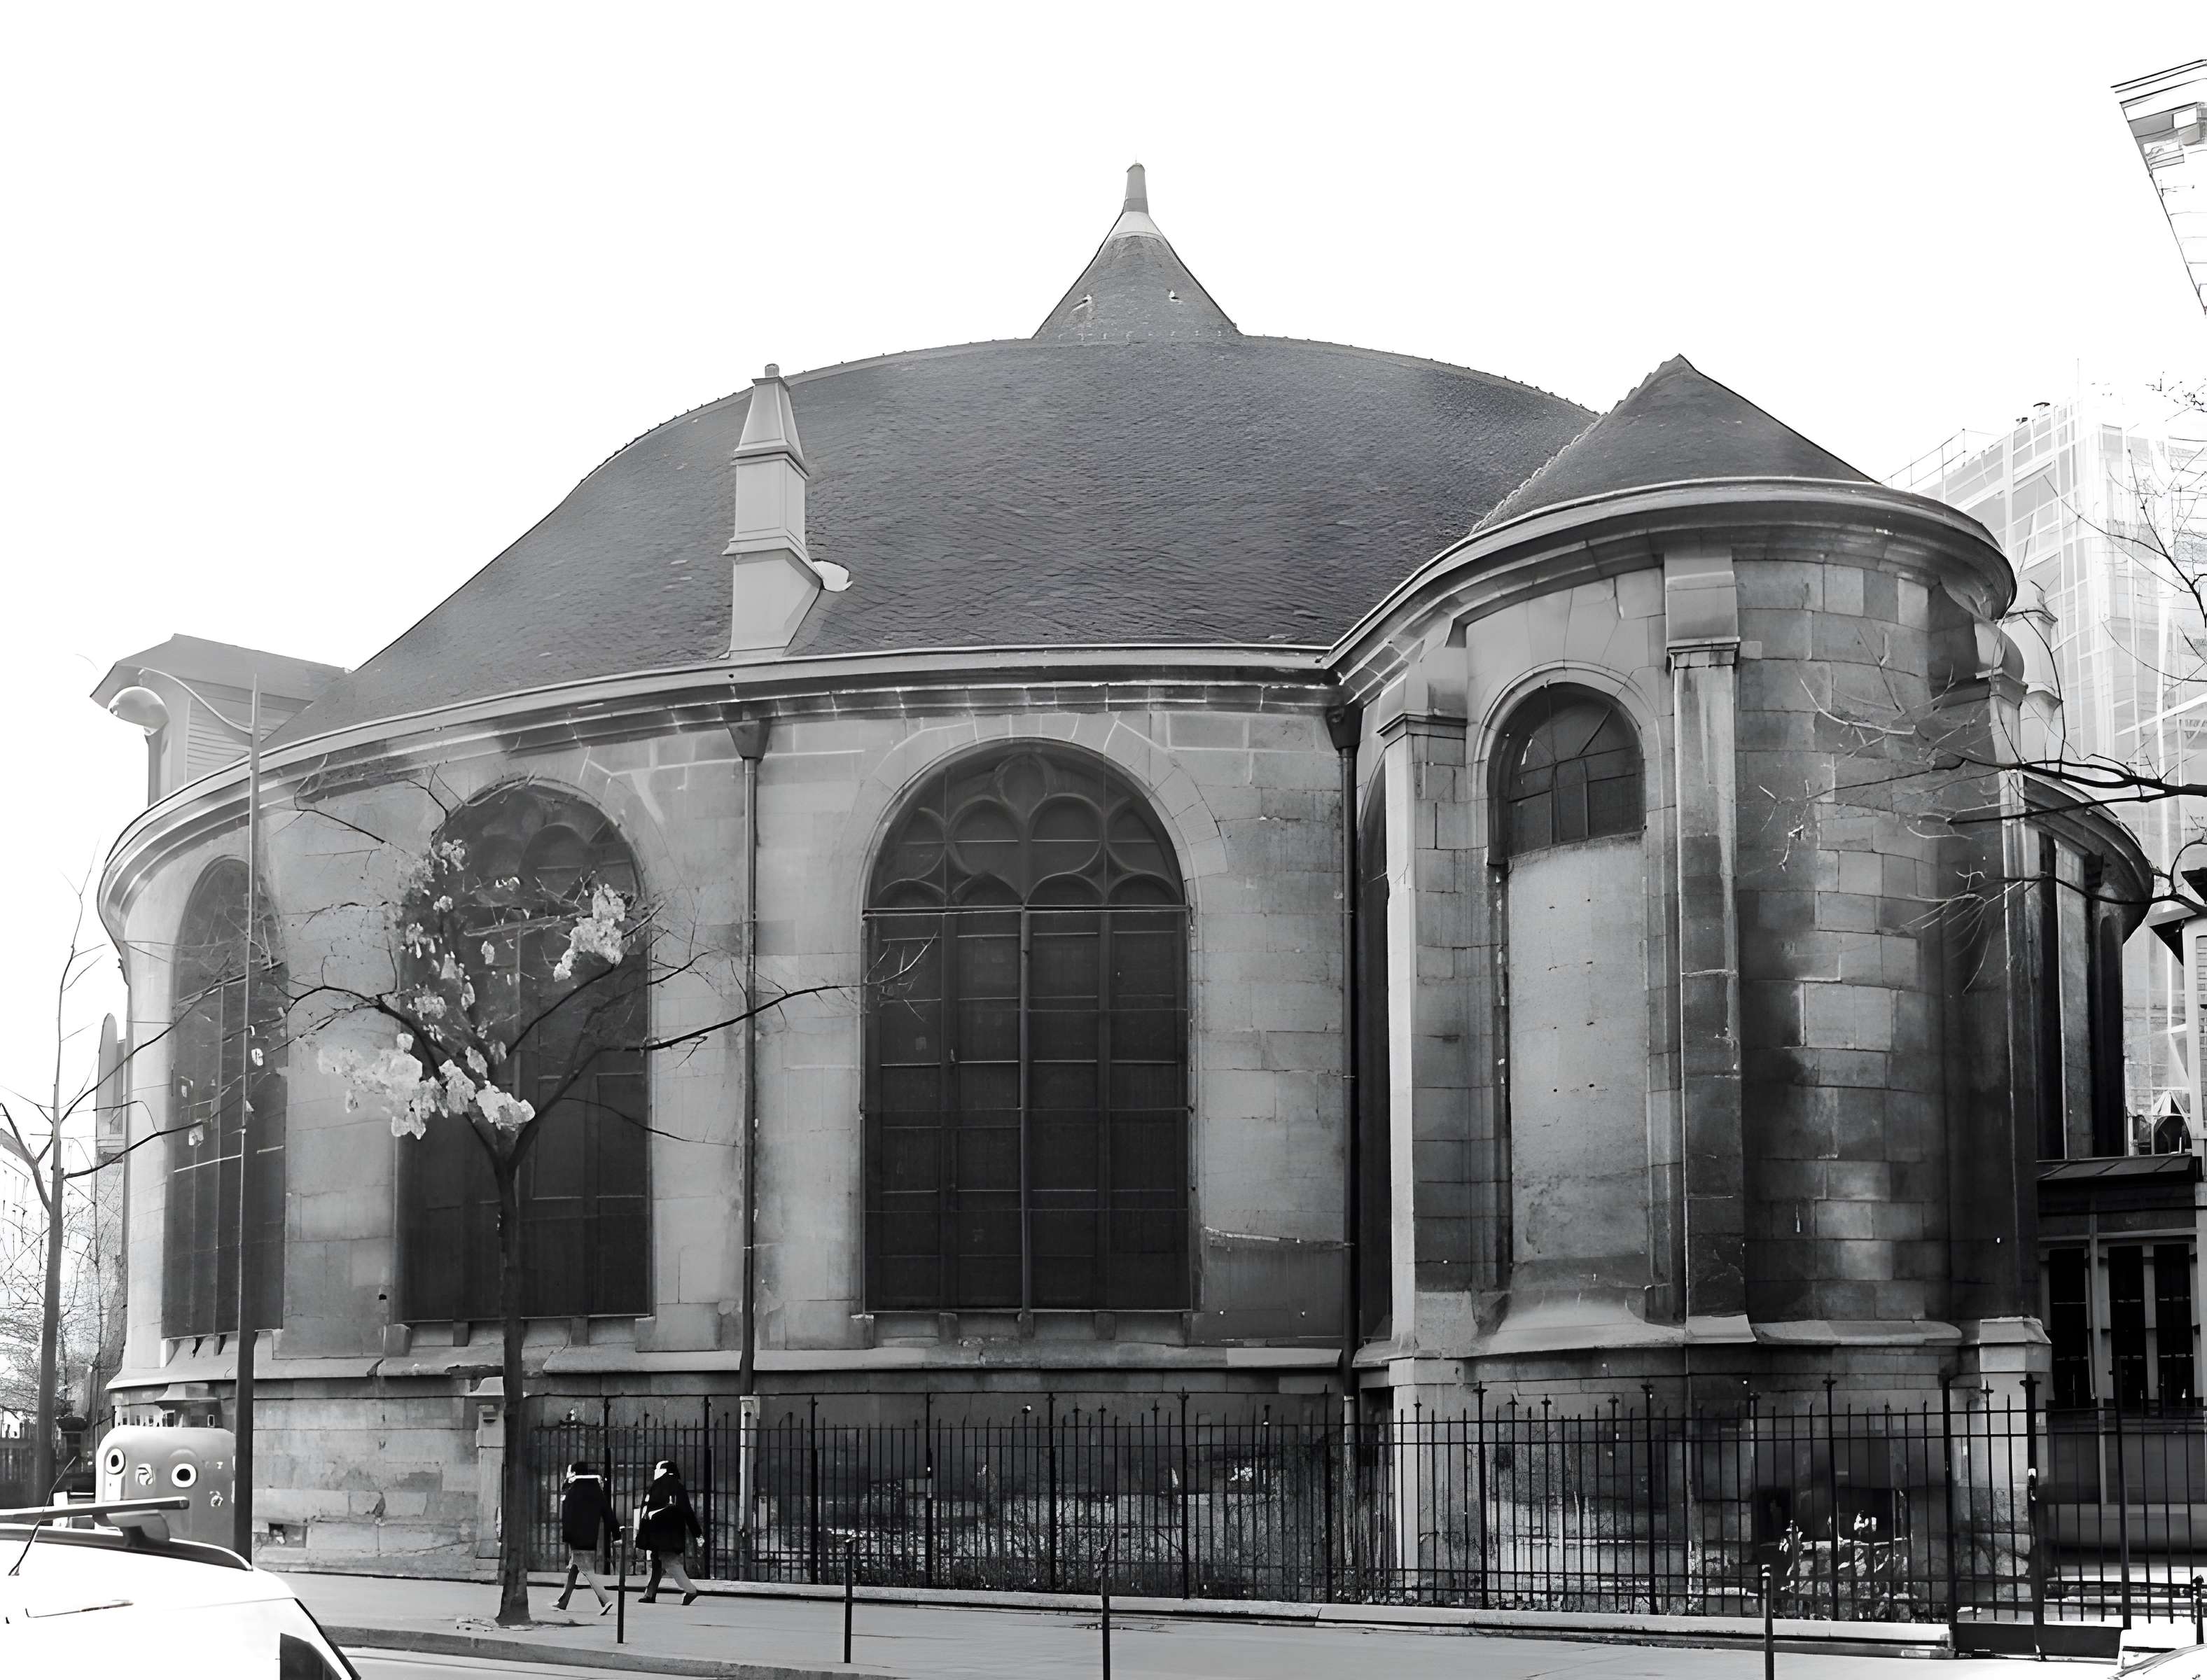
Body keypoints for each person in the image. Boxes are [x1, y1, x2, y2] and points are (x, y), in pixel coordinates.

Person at [635, 1458, 702, 1605]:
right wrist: (698, 1534)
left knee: (670, 1562)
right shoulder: (677, 1487)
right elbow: (688, 1513)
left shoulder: (657, 1487)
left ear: (664, 1471)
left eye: (657, 1469)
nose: (655, 1472)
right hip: (672, 1534)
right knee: (657, 1562)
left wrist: (643, 1535)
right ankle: (650, 1594)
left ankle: (690, 1590)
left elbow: (647, 1512)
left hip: (659, 1534)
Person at [553, 1461, 615, 1615]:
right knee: (574, 1568)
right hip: (590, 1536)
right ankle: (563, 1602)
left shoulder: (573, 1490)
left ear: (575, 1473)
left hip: (576, 1538)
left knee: (587, 1570)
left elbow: (567, 1516)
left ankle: (605, 1600)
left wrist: (567, 1536)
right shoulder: (595, 1490)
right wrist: (617, 1534)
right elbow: (607, 1513)